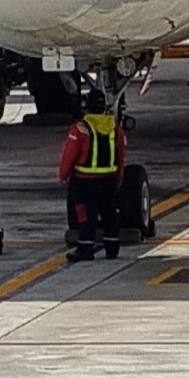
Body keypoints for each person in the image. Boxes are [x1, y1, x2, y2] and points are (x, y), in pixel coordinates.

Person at [57, 87, 126, 260]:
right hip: (108, 180)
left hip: (84, 182)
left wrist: (63, 174)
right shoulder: (114, 127)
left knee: (86, 216)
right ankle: (112, 248)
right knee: (109, 213)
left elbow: (70, 154)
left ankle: (85, 249)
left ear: (86, 107)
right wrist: (119, 175)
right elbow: (120, 154)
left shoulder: (80, 129)